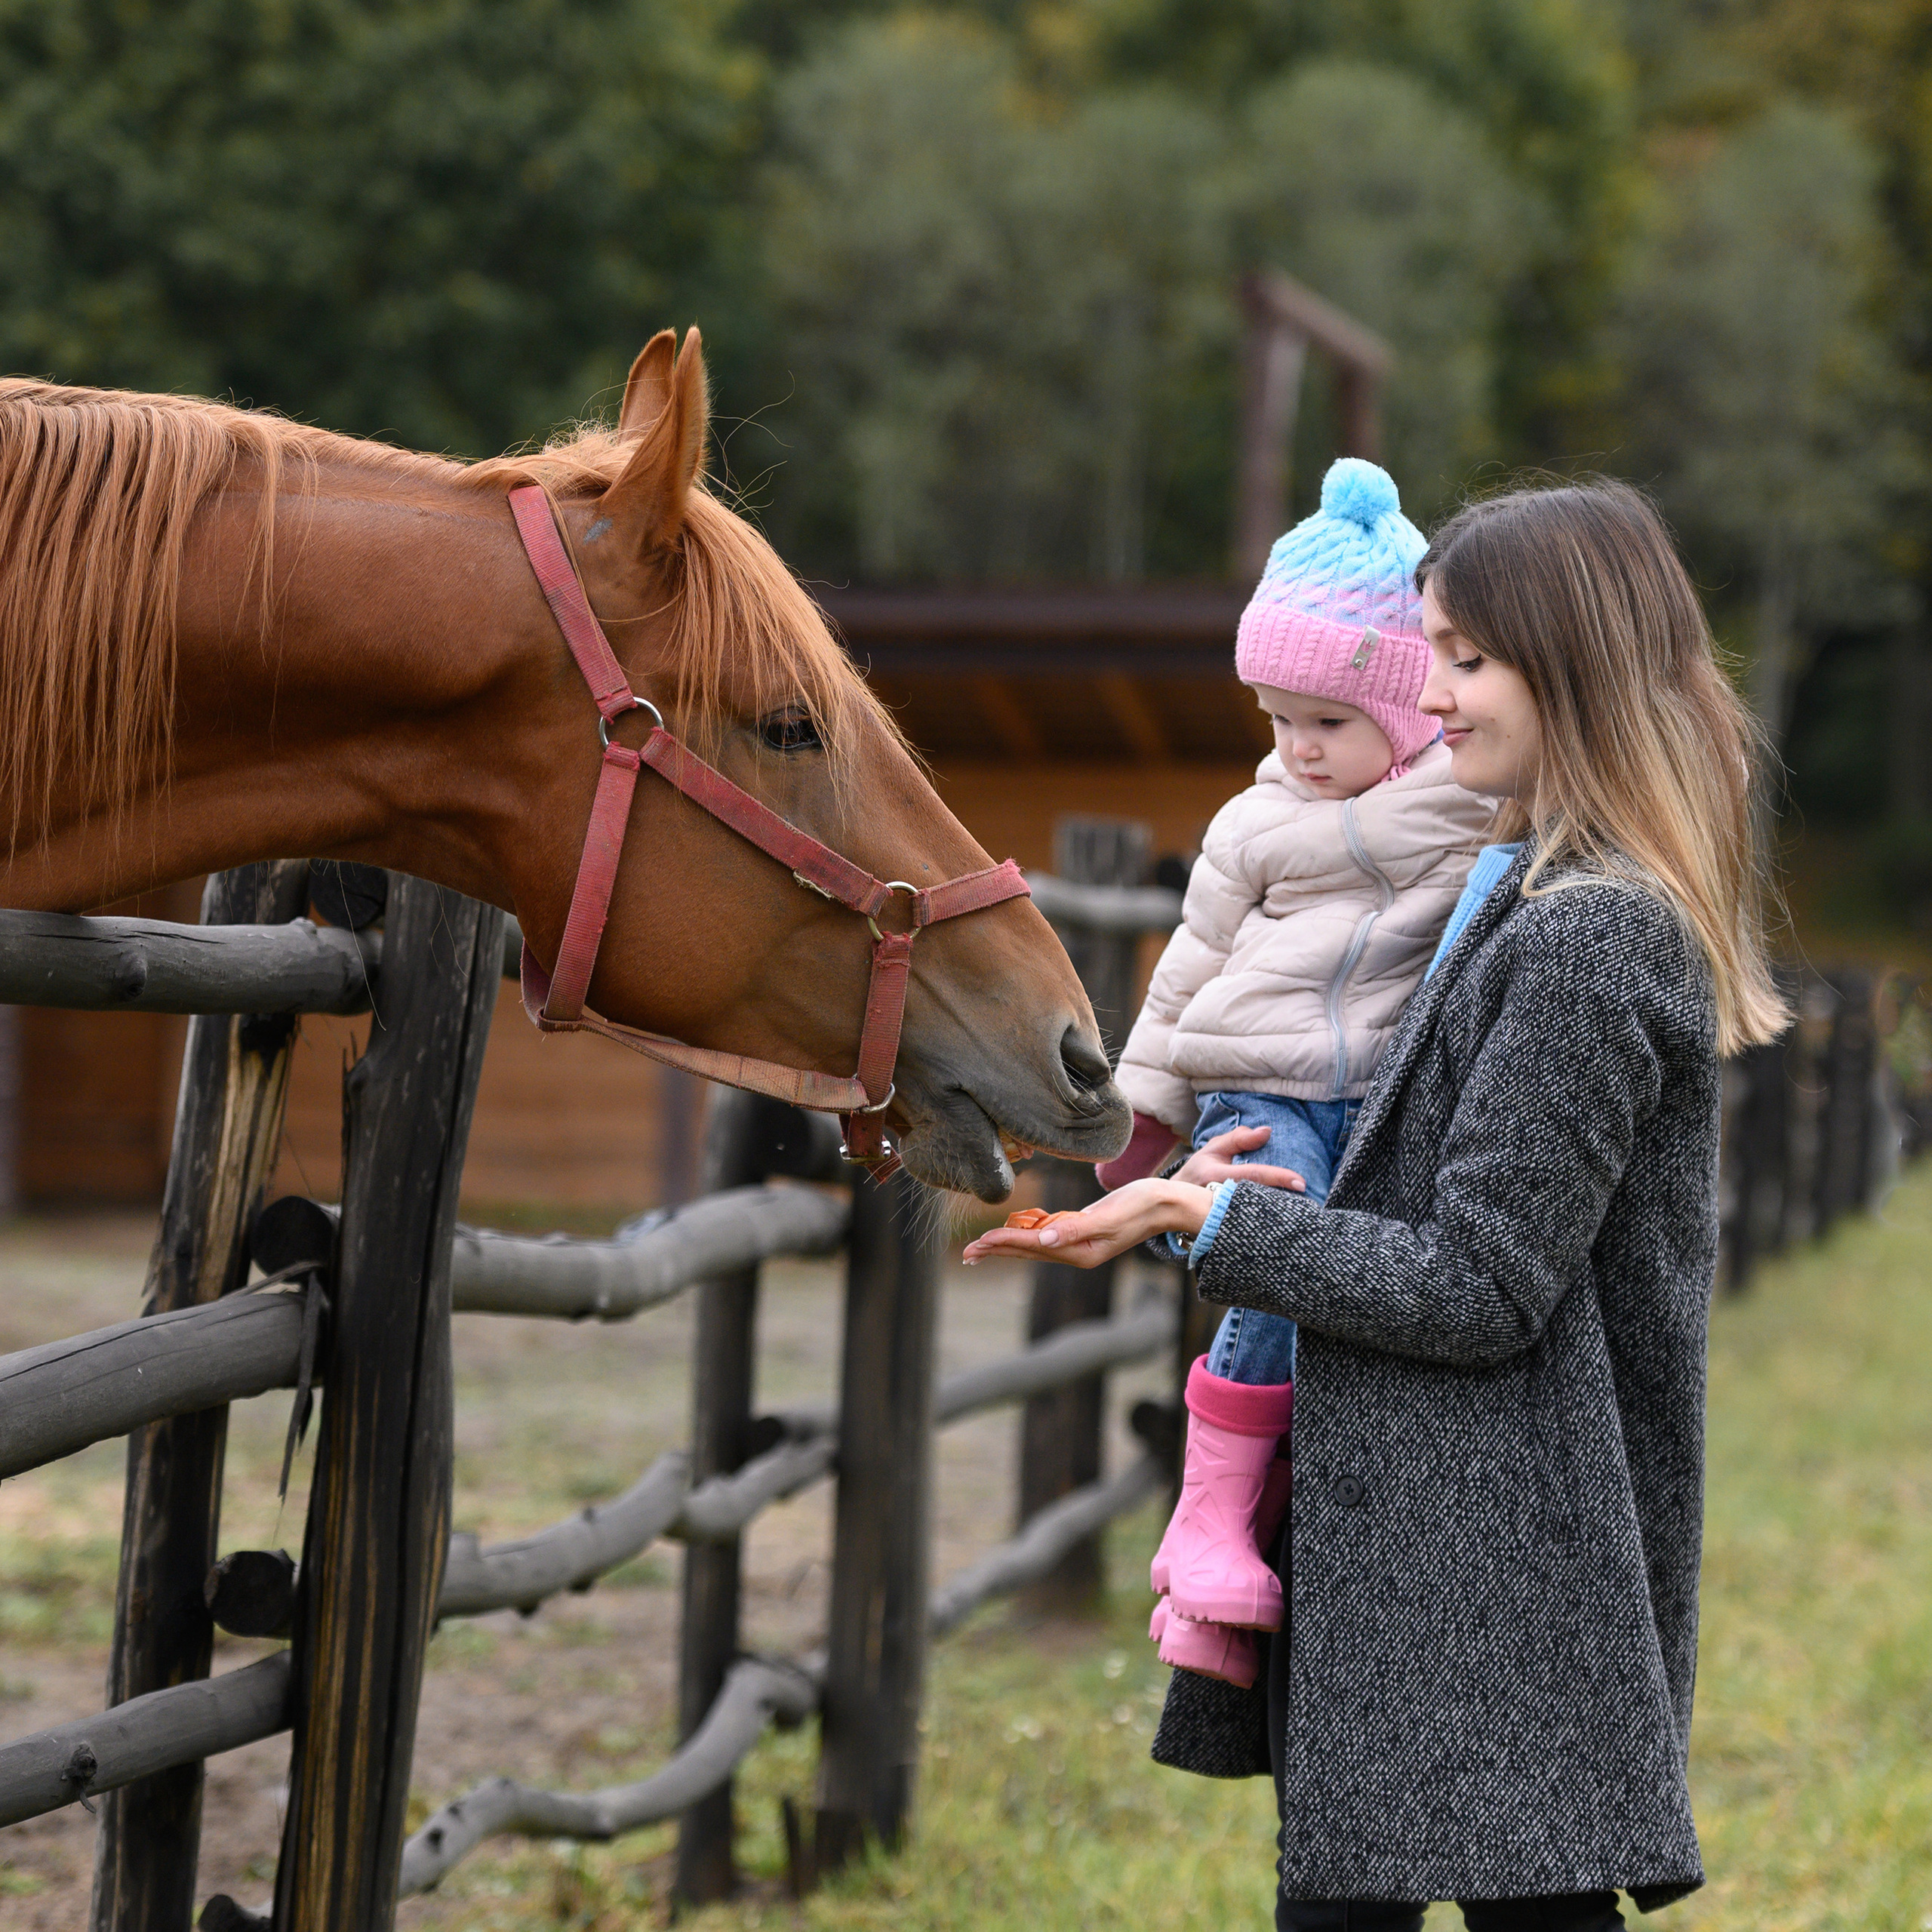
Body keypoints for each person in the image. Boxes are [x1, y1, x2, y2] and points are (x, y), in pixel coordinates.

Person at [964, 477, 1787, 1927]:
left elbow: (1479, 1285)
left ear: (1573, 665)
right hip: (1426, 1536)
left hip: (1497, 1556)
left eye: (1466, 659)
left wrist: (1198, 1223)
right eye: (1431, 655)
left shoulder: (1592, 936)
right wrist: (1216, 1171)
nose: (1435, 693)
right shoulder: (1519, 889)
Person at [1097, 457, 1491, 1690]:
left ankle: (1241, 1557)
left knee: (1347, 1291)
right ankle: (1210, 1517)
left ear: (1409, 709)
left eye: (1329, 721)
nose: (1299, 749)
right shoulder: (1251, 823)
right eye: (1277, 719)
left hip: (1381, 1090)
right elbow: (1188, 967)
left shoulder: (1466, 804)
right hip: (1259, 1083)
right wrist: (1142, 1119)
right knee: (1282, 1239)